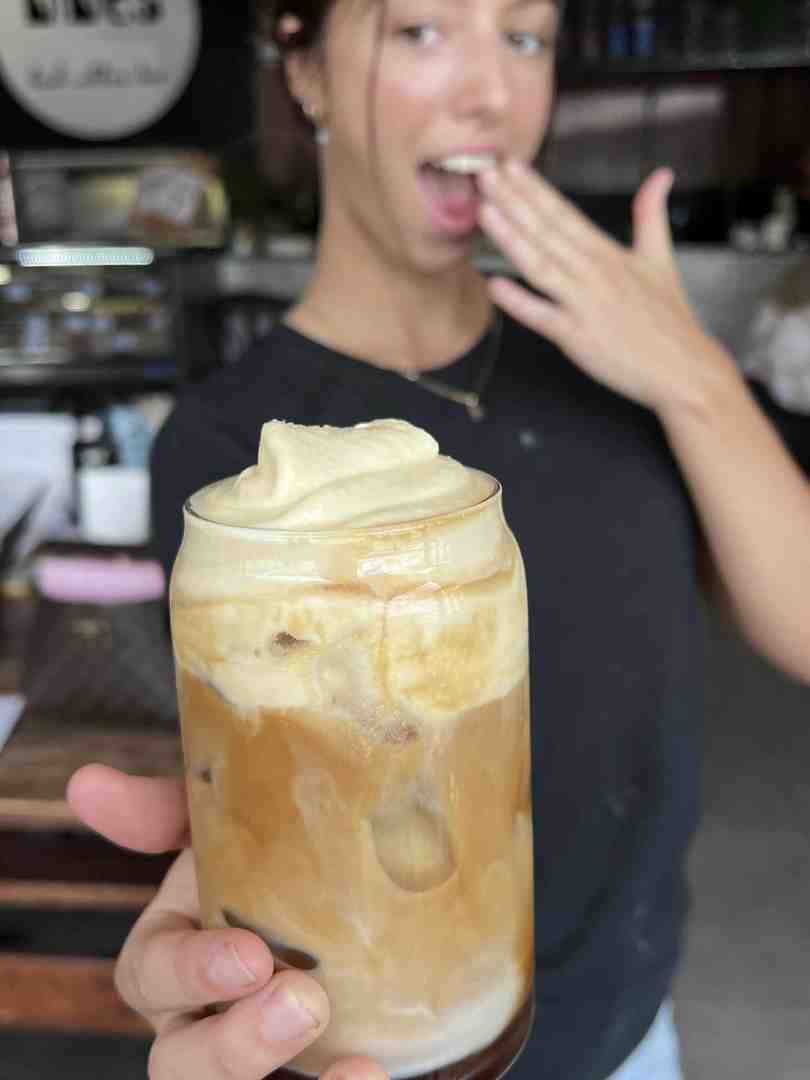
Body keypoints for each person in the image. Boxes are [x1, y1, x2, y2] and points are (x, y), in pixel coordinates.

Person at [68, 0, 810, 1077]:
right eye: (423, 30)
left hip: (636, 1026)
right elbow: (261, 808)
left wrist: (689, 373)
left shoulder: (622, 356)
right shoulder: (241, 464)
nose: (489, 93)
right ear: (307, 67)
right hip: (394, 1037)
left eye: (524, 38)